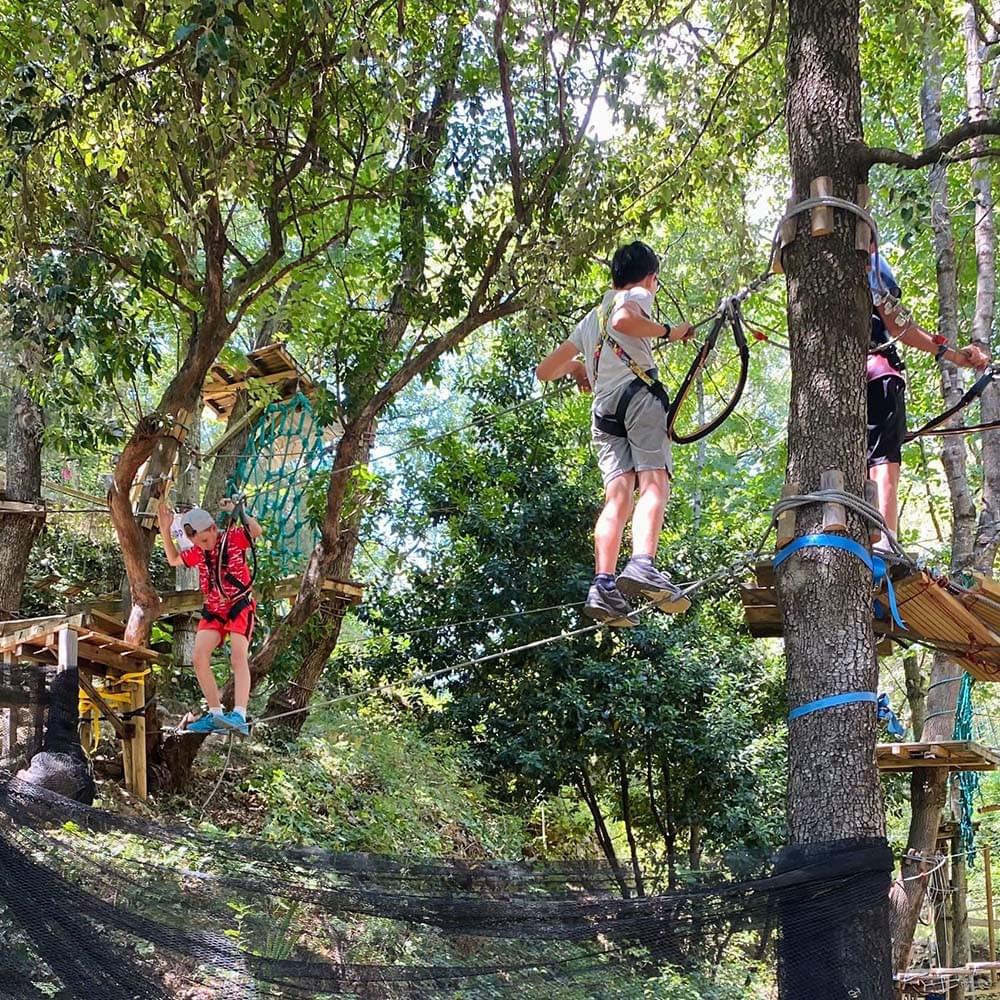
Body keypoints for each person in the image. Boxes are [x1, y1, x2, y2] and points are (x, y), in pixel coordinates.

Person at [536, 240, 694, 626]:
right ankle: (642, 564)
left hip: (604, 411)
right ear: (650, 278)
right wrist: (669, 331)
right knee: (654, 482)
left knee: (617, 498)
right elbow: (624, 321)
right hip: (638, 396)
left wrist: (577, 368)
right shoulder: (637, 294)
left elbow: (544, 370)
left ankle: (603, 584)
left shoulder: (590, 319)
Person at [868, 250, 988, 548]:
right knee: (883, 457)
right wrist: (955, 356)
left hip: (846, 378)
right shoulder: (871, 260)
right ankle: (884, 545)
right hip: (878, 373)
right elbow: (897, 323)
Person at [157, 498, 263, 735]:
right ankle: (216, 715)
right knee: (198, 657)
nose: (203, 546)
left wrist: (238, 510)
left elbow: (256, 531)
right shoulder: (198, 551)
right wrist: (165, 530)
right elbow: (174, 559)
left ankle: (239, 714)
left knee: (238, 657)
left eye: (205, 540)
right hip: (215, 610)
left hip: (239, 605)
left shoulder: (233, 538)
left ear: (214, 528)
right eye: (198, 542)